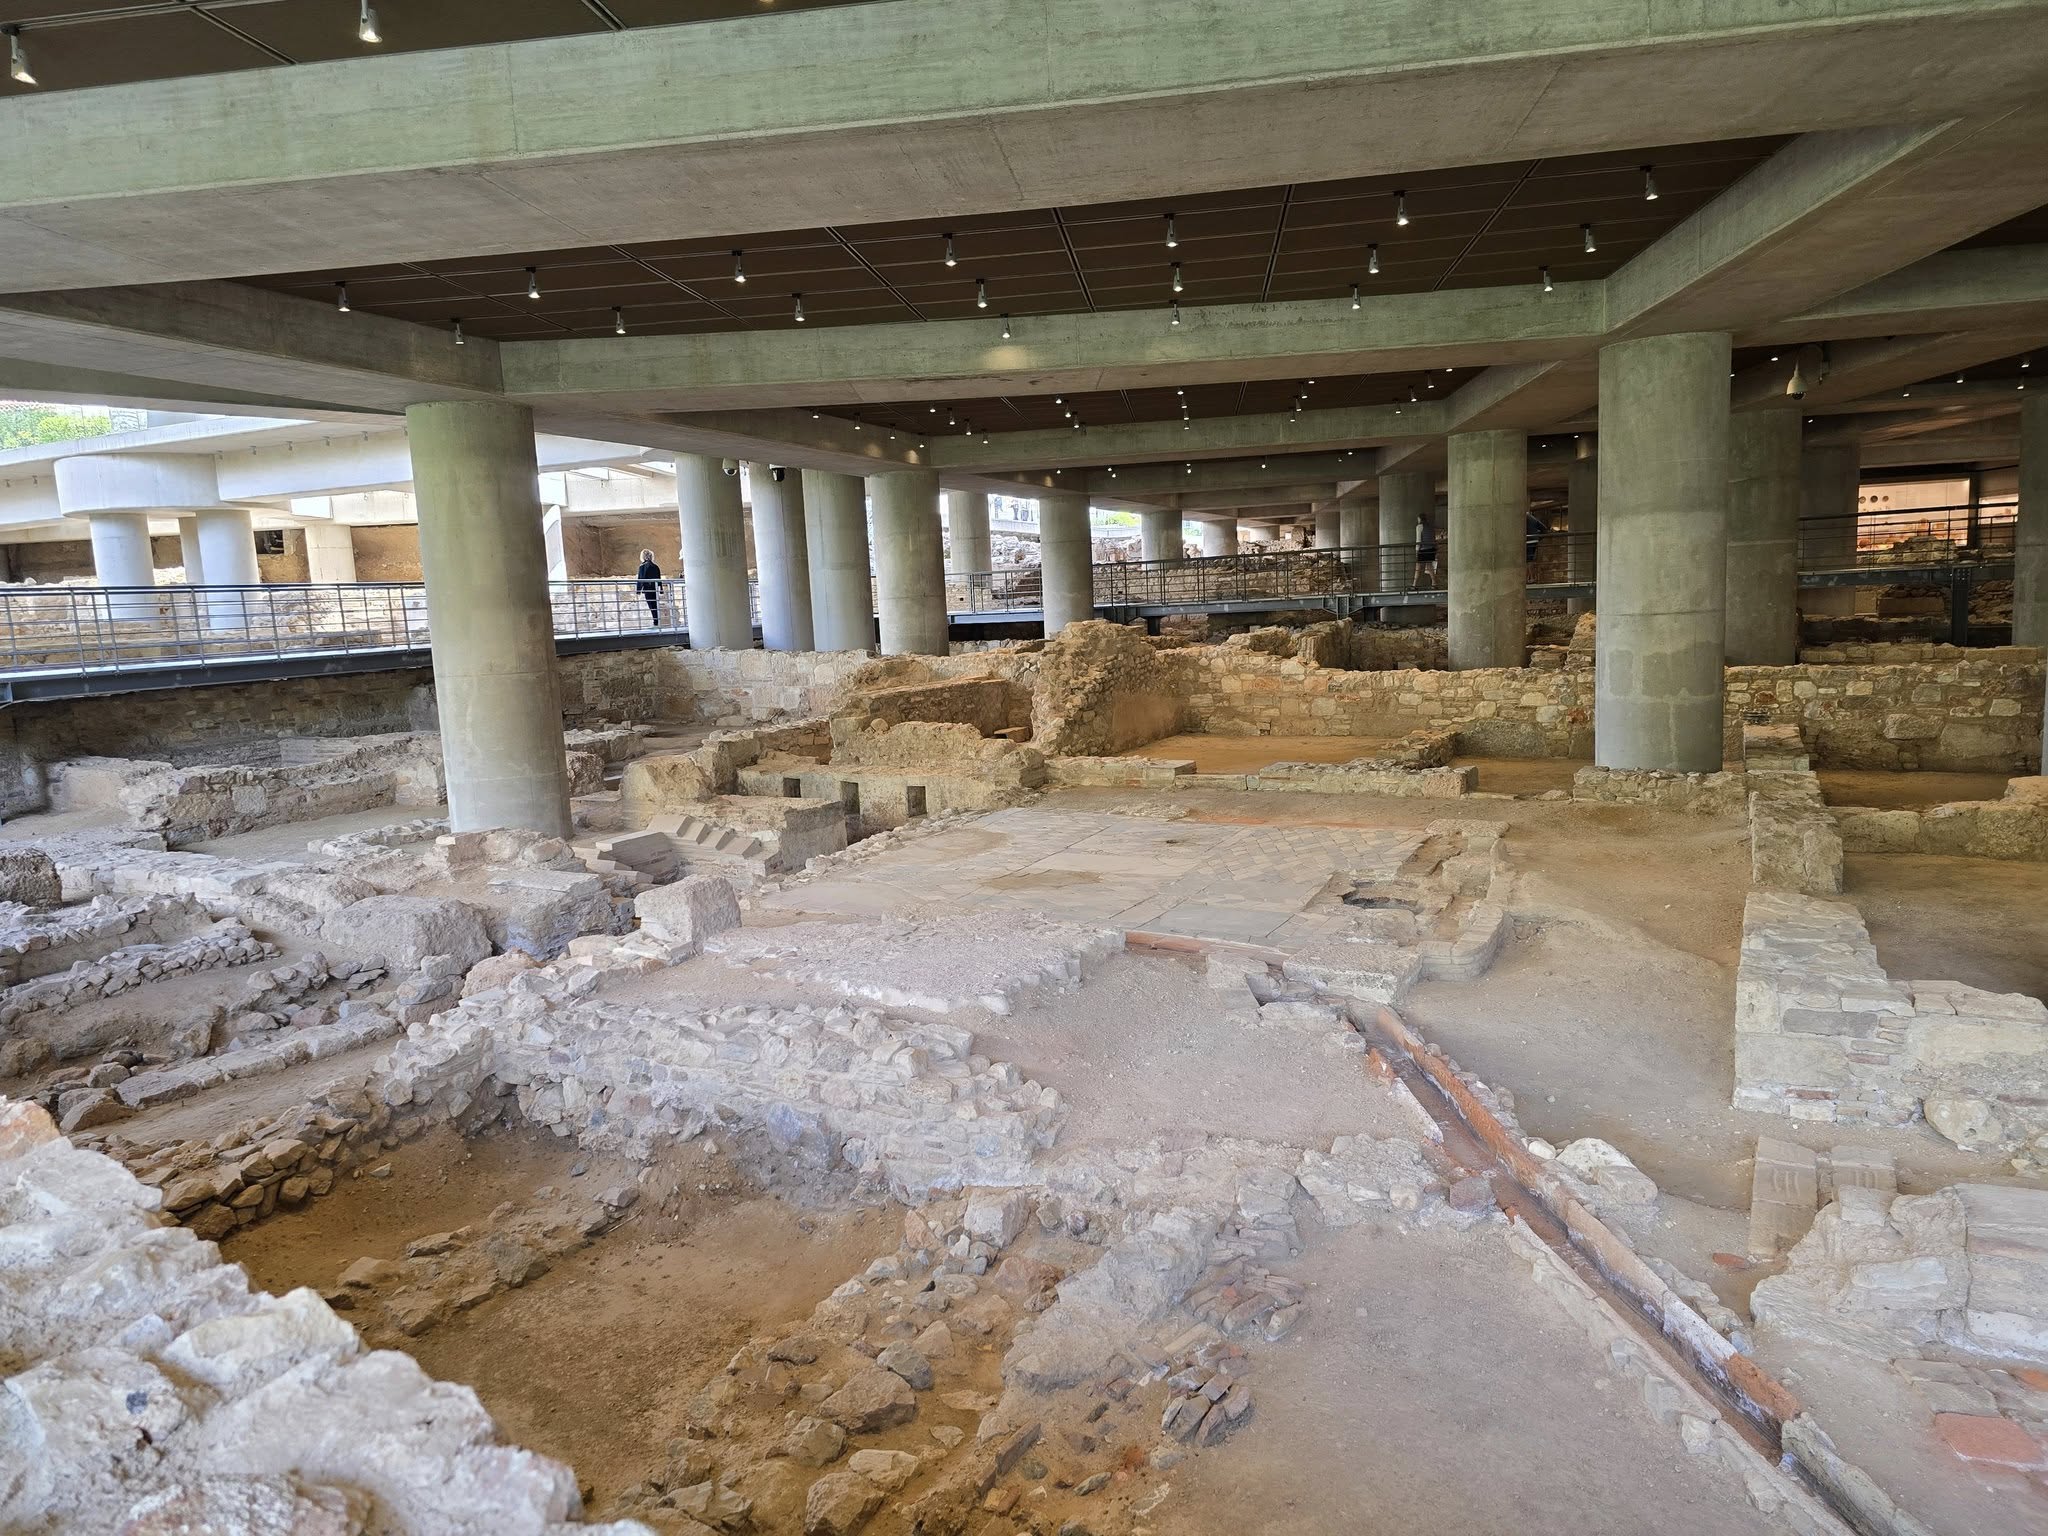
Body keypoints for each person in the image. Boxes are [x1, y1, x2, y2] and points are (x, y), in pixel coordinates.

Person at [634, 548, 661, 626]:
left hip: (647, 589)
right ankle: (656, 621)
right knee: (655, 605)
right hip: (654, 588)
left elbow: (640, 578)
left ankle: (655, 622)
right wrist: (661, 589)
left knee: (651, 605)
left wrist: (638, 590)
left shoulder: (642, 566)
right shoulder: (655, 566)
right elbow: (659, 578)